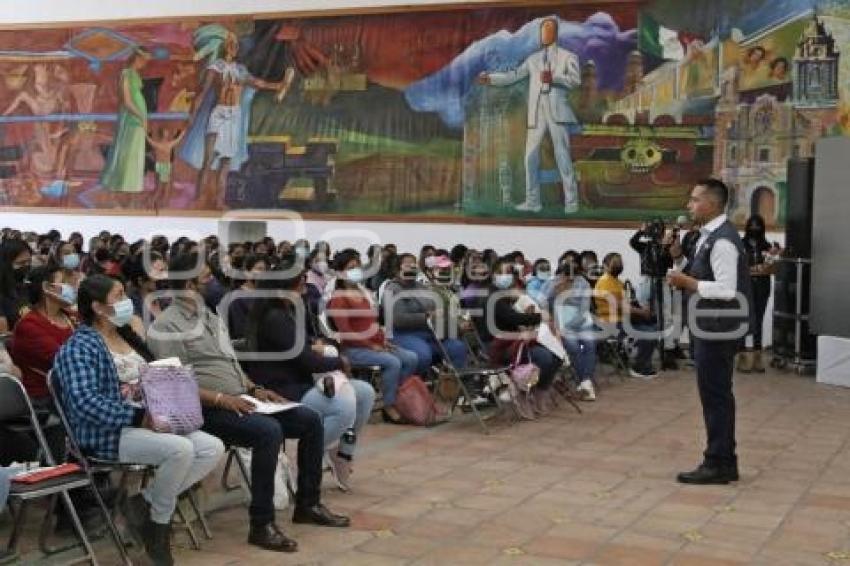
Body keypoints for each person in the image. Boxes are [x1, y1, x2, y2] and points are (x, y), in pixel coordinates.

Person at [147, 253, 350, 554]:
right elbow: (175, 386)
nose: (213, 283)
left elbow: (230, 363)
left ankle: (308, 504)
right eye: (207, 279)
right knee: (267, 432)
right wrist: (221, 399)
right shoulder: (167, 326)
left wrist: (255, 388)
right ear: (189, 285)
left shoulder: (210, 316)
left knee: (309, 420)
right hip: (206, 408)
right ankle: (261, 524)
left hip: (239, 398)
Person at [53, 275, 225, 565]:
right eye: (119, 295)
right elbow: (85, 403)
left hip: (151, 420)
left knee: (212, 447)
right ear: (97, 306)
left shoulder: (126, 336)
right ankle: (157, 530)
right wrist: (138, 416)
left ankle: (143, 503)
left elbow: (155, 376)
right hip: (107, 431)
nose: (127, 301)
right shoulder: (79, 346)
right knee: (180, 450)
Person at [243, 259, 375, 491]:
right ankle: (311, 457)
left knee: (365, 393)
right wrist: (339, 361)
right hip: (282, 387)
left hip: (303, 378)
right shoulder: (274, 317)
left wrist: (317, 347)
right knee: (344, 407)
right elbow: (307, 360)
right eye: (301, 284)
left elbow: (305, 349)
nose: (305, 289)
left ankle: (342, 454)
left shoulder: (289, 310)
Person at [667, 178, 753, 485]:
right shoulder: (706, 236)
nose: (689, 205)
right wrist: (678, 257)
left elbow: (728, 289)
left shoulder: (724, 240)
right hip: (709, 325)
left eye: (694, 199)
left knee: (715, 394)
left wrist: (687, 283)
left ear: (712, 204)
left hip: (719, 327)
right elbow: (701, 270)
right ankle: (722, 459)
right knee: (714, 393)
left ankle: (718, 462)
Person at [478, 17, 581, 214]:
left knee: (562, 156)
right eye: (542, 30)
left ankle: (571, 203)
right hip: (536, 111)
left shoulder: (568, 57)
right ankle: (533, 201)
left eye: (548, 30)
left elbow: (575, 80)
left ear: (555, 33)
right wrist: (490, 78)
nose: (544, 34)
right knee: (530, 157)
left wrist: (556, 78)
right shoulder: (533, 59)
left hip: (557, 111)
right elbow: (513, 75)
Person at [180, 32, 295, 208]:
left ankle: (219, 201)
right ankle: (199, 199)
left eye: (235, 44)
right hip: (218, 115)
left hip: (234, 116)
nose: (233, 47)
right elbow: (201, 94)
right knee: (209, 159)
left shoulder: (240, 70)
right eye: (230, 43)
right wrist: (192, 117)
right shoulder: (215, 67)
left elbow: (258, 83)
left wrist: (279, 85)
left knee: (226, 161)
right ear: (224, 46)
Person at [326, 249, 418, 424]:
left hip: (374, 345)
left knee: (411, 358)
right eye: (351, 267)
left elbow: (372, 324)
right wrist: (371, 345)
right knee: (393, 362)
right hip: (354, 349)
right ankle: (389, 406)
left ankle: (397, 398)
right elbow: (346, 333)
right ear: (340, 273)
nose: (356, 270)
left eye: (358, 266)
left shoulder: (363, 294)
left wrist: (384, 342)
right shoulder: (339, 299)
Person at [381, 254, 468, 376]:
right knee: (424, 355)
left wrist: (456, 324)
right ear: (397, 269)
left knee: (457, 347)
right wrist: (426, 316)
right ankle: (414, 385)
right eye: (408, 264)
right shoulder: (392, 289)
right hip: (402, 334)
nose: (412, 267)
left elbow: (438, 311)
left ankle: (452, 388)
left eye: (414, 264)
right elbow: (398, 320)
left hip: (429, 332)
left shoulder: (423, 287)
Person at [10, 266, 76, 403]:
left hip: (73, 389)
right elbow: (66, 360)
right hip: (47, 397)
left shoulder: (71, 317)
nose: (73, 286)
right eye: (65, 281)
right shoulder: (28, 326)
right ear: (47, 287)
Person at [593, 253, 658, 379]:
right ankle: (639, 367)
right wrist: (642, 312)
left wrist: (643, 309)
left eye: (620, 262)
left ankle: (643, 363)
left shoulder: (618, 282)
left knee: (653, 329)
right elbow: (619, 305)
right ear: (605, 266)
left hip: (623, 320)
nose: (618, 265)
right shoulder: (604, 281)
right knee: (647, 333)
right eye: (614, 263)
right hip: (610, 324)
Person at [101, 49, 151, 208]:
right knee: (126, 155)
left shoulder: (135, 74)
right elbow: (127, 100)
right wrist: (141, 116)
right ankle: (117, 197)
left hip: (137, 120)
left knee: (135, 156)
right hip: (131, 120)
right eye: (144, 60)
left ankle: (131, 197)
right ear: (137, 58)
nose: (146, 63)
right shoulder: (127, 73)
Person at [548, 262, 596, 401]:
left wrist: (570, 325)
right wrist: (556, 291)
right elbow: (546, 303)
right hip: (562, 322)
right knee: (573, 347)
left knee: (590, 345)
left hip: (582, 322)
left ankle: (585, 382)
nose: (569, 280)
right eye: (566, 276)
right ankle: (586, 382)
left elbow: (584, 309)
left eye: (572, 277)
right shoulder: (554, 283)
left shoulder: (583, 283)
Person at [738, 214, 775, 373]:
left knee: (758, 319)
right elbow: (736, 266)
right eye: (752, 226)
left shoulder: (767, 246)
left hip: (762, 286)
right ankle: (742, 356)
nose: (755, 229)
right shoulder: (740, 244)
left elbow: (772, 267)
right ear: (747, 228)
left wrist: (772, 260)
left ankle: (758, 356)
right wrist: (751, 269)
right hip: (745, 287)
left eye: (757, 226)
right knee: (743, 319)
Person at [0, 239, 32, 332]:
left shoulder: (23, 286)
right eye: (21, 263)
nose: (26, 266)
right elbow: (4, 335)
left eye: (29, 261)